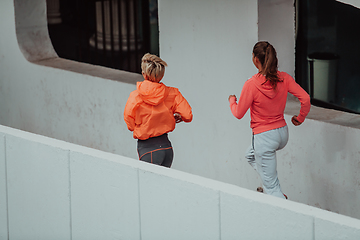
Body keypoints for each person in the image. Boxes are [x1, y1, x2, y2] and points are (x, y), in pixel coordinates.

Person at [228, 41, 311, 199]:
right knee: (250, 155)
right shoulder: (284, 78)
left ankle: (279, 199)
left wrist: (232, 101)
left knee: (270, 188)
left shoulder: (251, 84)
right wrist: (300, 118)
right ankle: (274, 185)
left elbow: (238, 113)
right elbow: (305, 98)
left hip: (264, 137)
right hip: (282, 134)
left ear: (256, 60)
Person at [124, 53, 193, 168]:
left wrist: (136, 127)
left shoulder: (135, 96)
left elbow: (128, 119)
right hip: (167, 148)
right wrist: (180, 118)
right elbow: (188, 115)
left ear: (144, 74)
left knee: (148, 185)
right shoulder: (173, 93)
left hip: (148, 149)